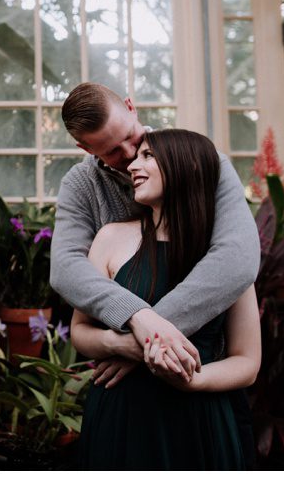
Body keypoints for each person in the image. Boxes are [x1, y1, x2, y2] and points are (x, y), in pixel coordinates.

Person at [71, 128, 260, 469]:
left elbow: (247, 362)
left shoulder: (226, 257)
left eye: (147, 156)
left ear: (185, 166)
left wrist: (194, 381)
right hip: (121, 414)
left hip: (200, 416)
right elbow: (80, 332)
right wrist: (123, 346)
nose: (131, 166)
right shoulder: (110, 239)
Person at [51, 83, 258, 379]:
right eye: (112, 151)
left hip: (202, 369)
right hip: (124, 383)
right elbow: (66, 268)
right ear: (86, 149)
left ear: (131, 107)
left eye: (129, 136)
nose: (130, 153)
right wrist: (137, 317)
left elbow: (237, 257)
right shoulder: (81, 185)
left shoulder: (203, 161)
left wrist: (148, 340)